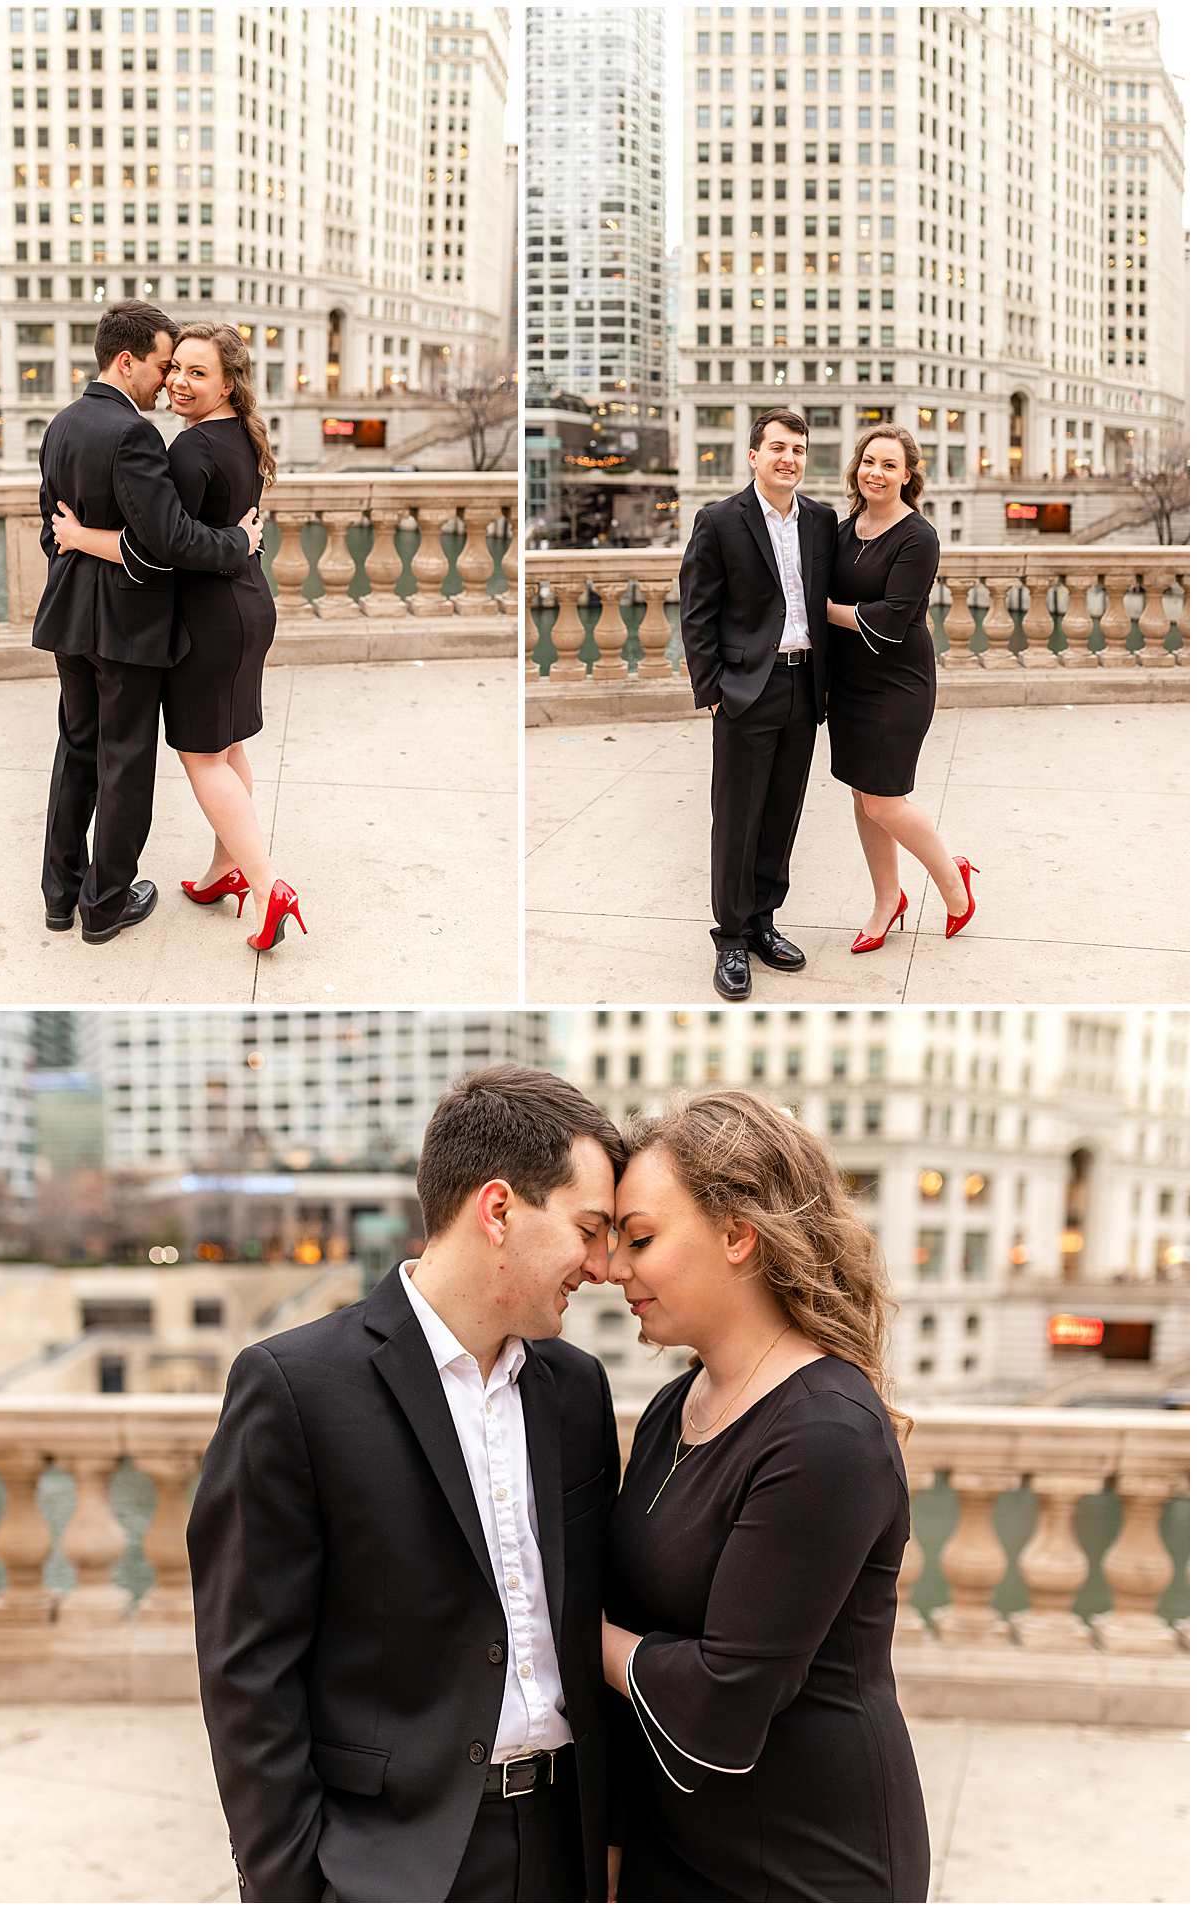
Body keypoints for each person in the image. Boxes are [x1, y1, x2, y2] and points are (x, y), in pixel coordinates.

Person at [187, 1065, 627, 1903]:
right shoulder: (293, 1386)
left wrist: (609, 1845)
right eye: (588, 1228)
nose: (601, 1265)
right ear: (497, 1209)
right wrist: (291, 1887)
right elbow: (247, 1673)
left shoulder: (576, 1389)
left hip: (566, 1847)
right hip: (389, 1864)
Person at [602, 1090, 930, 1903]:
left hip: (807, 1862)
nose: (614, 1269)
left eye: (638, 1238)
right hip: (674, 1842)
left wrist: (561, 1631)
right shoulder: (672, 1408)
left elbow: (724, 1700)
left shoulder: (826, 1434)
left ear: (738, 1236)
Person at [51, 323, 306, 955]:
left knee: (201, 758)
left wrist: (82, 541)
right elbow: (196, 533)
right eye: (175, 369)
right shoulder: (238, 437)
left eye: (196, 372)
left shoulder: (174, 448)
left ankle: (268, 883)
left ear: (228, 382)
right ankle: (226, 872)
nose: (178, 382)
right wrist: (244, 543)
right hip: (246, 605)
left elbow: (163, 550)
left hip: (208, 616)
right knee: (227, 746)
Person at [677, 409, 838, 1002]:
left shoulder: (822, 521)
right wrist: (713, 693)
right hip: (746, 690)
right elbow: (696, 613)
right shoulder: (719, 520)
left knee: (781, 813)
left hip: (804, 686)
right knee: (738, 818)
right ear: (753, 456)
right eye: (777, 447)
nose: (788, 458)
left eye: (797, 449)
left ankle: (765, 922)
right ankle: (731, 939)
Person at [825, 426, 978, 952]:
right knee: (863, 798)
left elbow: (891, 620)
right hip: (849, 684)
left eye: (890, 465)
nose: (877, 472)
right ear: (856, 468)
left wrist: (824, 612)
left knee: (886, 802)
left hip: (898, 684)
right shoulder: (847, 529)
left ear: (907, 475)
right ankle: (887, 899)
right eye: (869, 461)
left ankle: (953, 882)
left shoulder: (919, 536)